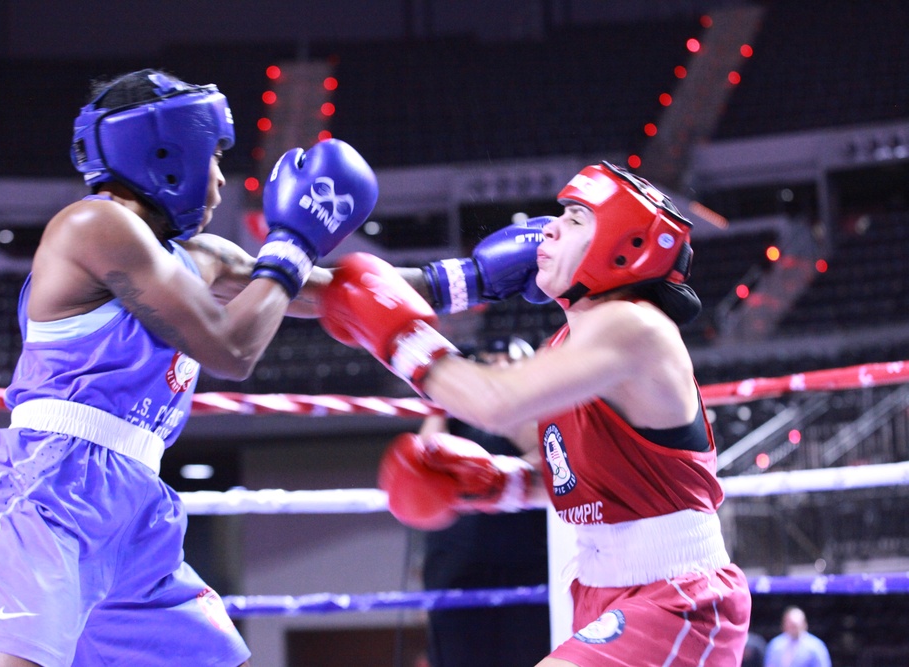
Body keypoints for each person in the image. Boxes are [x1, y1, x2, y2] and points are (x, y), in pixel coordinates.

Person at [0, 68, 378, 667]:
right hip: (48, 487)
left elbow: (326, 294)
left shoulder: (198, 256)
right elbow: (231, 349)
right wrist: (294, 241)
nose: (220, 179)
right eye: (213, 157)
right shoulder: (94, 224)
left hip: (137, 508)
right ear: (168, 154)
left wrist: (477, 277)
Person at [320, 161, 753, 665]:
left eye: (573, 218)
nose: (546, 228)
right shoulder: (570, 344)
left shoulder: (634, 326)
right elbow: (581, 474)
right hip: (604, 590)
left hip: (676, 595)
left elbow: (493, 400)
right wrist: (501, 483)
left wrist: (398, 333)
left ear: (625, 245)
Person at [420, 336, 550, 667]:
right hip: (459, 563)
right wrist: (445, 399)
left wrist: (498, 399)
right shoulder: (455, 419)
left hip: (528, 564)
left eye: (507, 360)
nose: (498, 368)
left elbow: (546, 453)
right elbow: (424, 465)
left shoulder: (541, 414)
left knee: (531, 654)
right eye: (490, 361)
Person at [764, 606, 832, 667]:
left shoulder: (816, 646)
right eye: (791, 625)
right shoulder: (775, 644)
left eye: (796, 626)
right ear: (784, 625)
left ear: (804, 624)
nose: (794, 629)